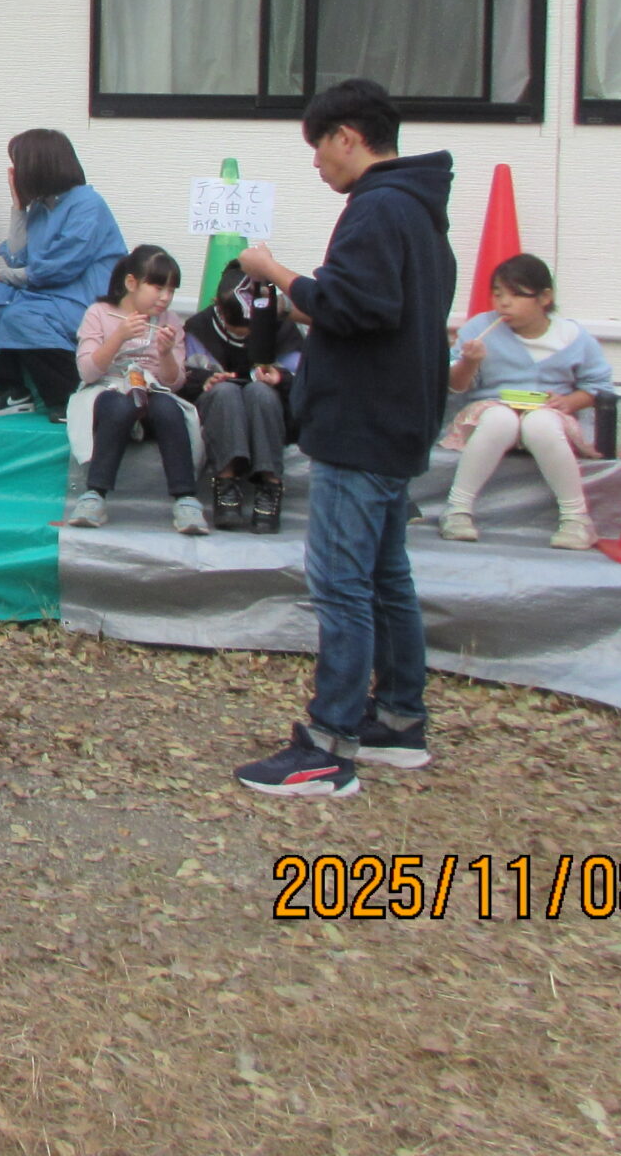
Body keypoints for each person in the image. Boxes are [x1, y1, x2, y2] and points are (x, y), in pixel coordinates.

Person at [233, 79, 456, 798]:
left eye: (318, 146)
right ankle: (398, 719)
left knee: (341, 585)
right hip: (400, 419)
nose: (316, 162)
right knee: (386, 578)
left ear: (348, 138)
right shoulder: (420, 209)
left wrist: (275, 273)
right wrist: (309, 302)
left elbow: (355, 304)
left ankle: (327, 747)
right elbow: (385, 310)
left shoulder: (377, 208)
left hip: (361, 426)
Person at [439, 252, 614, 549]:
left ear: (545, 297)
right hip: (490, 408)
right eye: (497, 294)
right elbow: (455, 385)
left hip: (547, 412)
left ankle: (576, 519)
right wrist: (469, 362)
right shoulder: (480, 329)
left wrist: (570, 402)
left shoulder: (573, 336)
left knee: (540, 424)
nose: (504, 303)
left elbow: (598, 387)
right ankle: (457, 510)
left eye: (516, 295)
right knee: (500, 419)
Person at [0, 129, 124, 422]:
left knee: (23, 316)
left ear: (38, 165)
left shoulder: (87, 205)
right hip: (49, 291)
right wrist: (18, 206)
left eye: (17, 164)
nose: (13, 172)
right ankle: (12, 390)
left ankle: (68, 396)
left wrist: (0, 274)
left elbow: (57, 269)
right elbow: (18, 257)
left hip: (85, 297)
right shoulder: (41, 205)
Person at [66, 244, 203, 533]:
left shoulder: (170, 322)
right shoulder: (100, 313)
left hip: (151, 390)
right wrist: (119, 337)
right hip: (107, 389)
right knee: (118, 404)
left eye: (171, 290)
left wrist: (166, 354)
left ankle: (186, 498)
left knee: (168, 408)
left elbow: (174, 383)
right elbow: (87, 371)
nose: (165, 298)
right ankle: (94, 494)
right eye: (158, 288)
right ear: (131, 283)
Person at [183, 260, 303, 532]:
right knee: (224, 391)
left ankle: (270, 484)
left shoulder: (283, 328)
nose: (244, 333)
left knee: (260, 392)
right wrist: (206, 379)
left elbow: (302, 377)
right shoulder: (199, 327)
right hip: (221, 406)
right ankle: (226, 482)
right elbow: (184, 377)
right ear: (217, 306)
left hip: (270, 408)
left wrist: (280, 378)